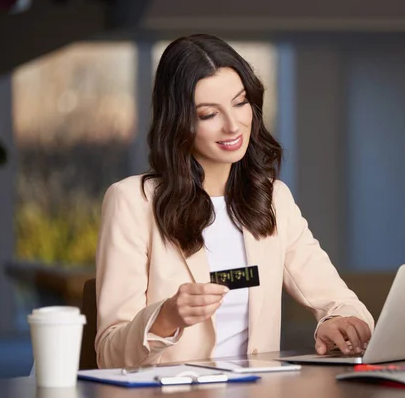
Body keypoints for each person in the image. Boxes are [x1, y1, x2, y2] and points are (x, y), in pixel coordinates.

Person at [95, 34, 374, 369]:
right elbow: (109, 352)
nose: (233, 125)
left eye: (240, 103)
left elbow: (343, 303)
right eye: (209, 113)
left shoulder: (272, 199)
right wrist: (165, 318)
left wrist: (339, 322)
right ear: (178, 122)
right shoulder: (131, 202)